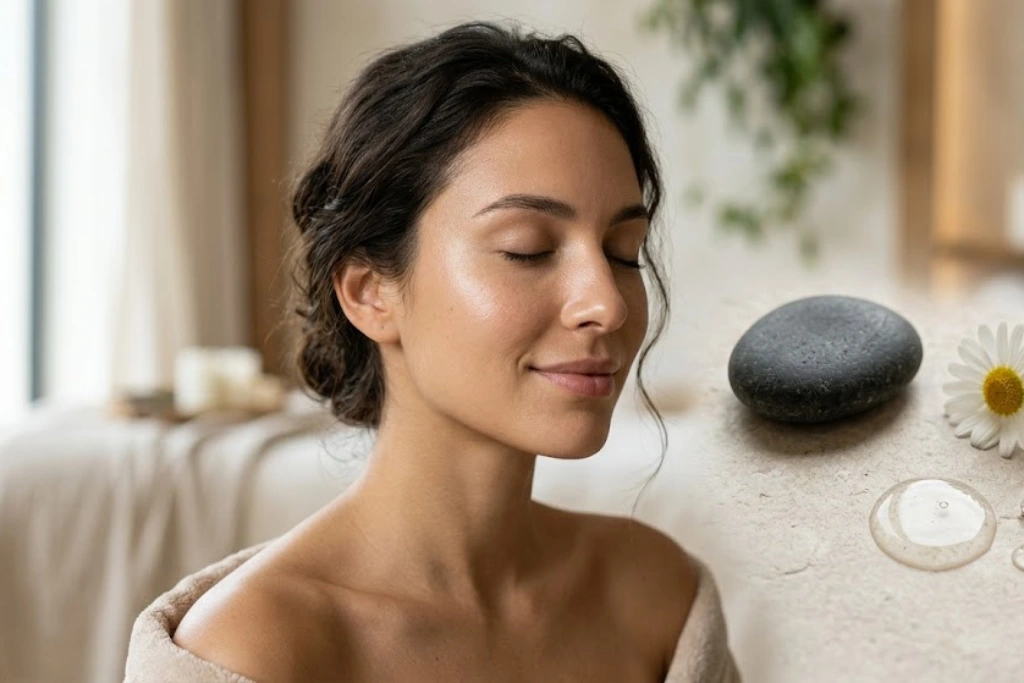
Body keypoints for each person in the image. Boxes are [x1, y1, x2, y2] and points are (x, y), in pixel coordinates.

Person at [124, 20, 740, 682]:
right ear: (369, 292)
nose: (608, 304)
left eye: (622, 252)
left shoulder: (654, 598)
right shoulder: (251, 648)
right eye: (527, 248)